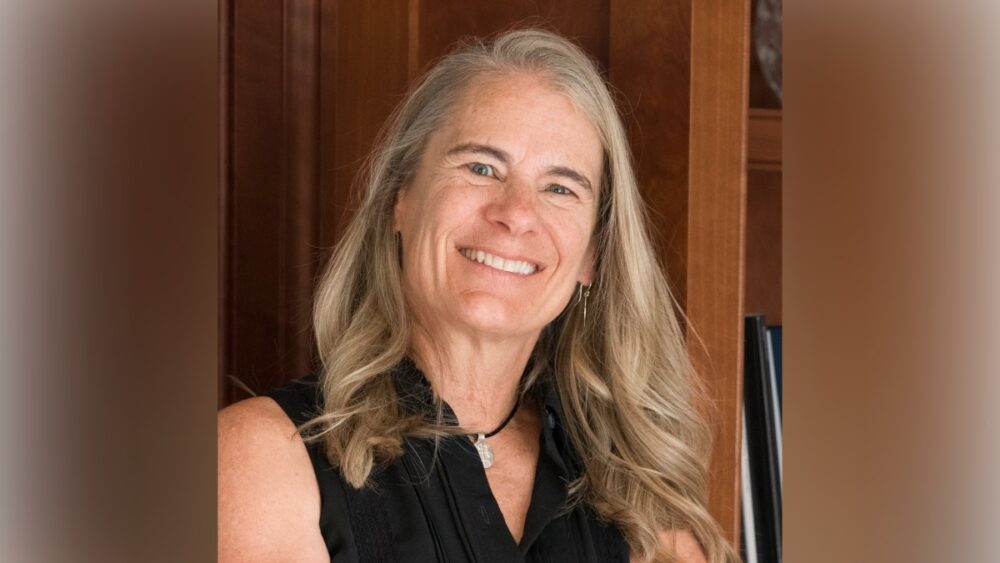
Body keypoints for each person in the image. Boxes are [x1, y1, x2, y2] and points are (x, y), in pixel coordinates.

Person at [218, 29, 739, 563]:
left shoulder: (645, 508)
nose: (515, 213)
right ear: (402, 198)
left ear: (591, 256)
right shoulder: (260, 459)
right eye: (481, 167)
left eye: (560, 188)